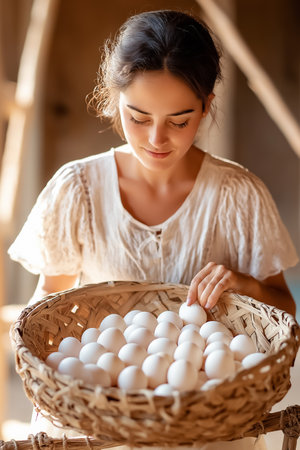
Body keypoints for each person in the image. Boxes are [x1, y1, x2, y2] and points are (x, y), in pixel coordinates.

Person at [8, 9, 298, 449]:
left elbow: (284, 309)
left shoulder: (238, 196)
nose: (156, 140)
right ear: (113, 99)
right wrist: (58, 369)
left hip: (207, 426)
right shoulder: (79, 189)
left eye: (179, 121)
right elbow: (50, 304)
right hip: (99, 423)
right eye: (139, 117)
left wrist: (241, 283)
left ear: (206, 108)